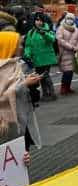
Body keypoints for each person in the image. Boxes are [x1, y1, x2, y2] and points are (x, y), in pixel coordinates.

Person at [0, 31, 43, 164]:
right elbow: (3, 97)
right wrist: (24, 83)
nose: (21, 47)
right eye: (18, 45)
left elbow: (20, 91)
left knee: (21, 160)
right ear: (8, 47)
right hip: (5, 124)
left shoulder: (17, 65)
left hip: (22, 120)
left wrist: (31, 84)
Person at [23, 13, 58, 102]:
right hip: (37, 58)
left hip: (46, 58)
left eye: (40, 20)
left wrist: (44, 34)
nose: (38, 22)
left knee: (45, 75)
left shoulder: (47, 30)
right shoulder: (31, 32)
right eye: (37, 20)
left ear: (44, 21)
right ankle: (45, 93)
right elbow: (28, 45)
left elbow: (52, 39)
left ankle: (52, 93)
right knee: (40, 77)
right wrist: (27, 54)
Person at [55, 13, 78, 96]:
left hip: (74, 53)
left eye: (71, 19)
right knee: (67, 71)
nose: (70, 20)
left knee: (70, 71)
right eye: (68, 18)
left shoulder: (76, 29)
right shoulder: (61, 28)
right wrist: (71, 47)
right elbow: (60, 40)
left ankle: (68, 87)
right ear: (65, 19)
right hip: (64, 53)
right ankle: (63, 88)